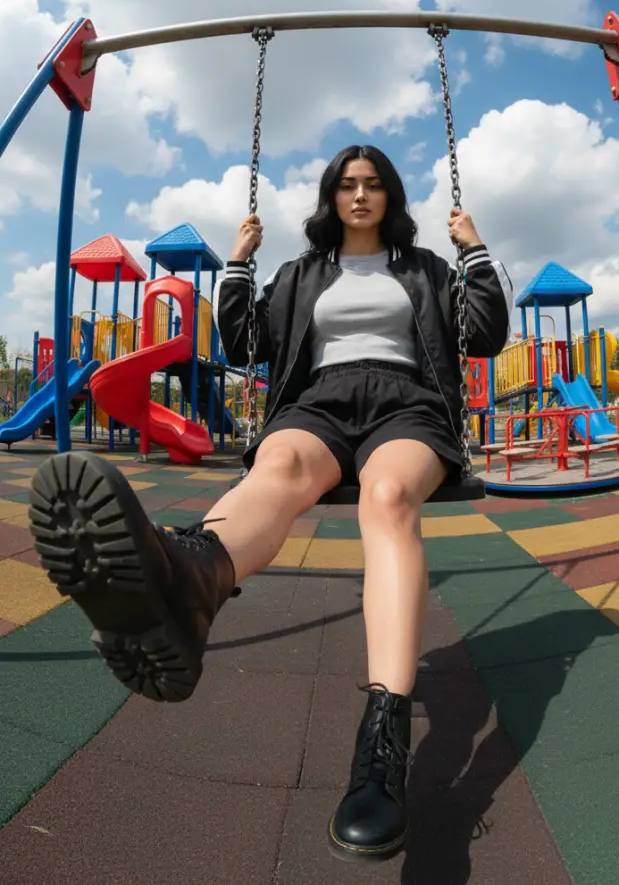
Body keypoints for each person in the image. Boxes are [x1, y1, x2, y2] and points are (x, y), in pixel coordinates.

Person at [28, 145, 512, 864]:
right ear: (329, 196)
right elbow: (242, 342)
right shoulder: (300, 274)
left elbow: (487, 335)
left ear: (392, 196)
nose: (359, 195)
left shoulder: (425, 269)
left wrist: (471, 250)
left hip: (407, 406)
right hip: (318, 403)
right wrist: (238, 263)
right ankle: (192, 579)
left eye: (373, 184)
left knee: (386, 496)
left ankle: (381, 744)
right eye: (346, 184)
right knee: (278, 461)